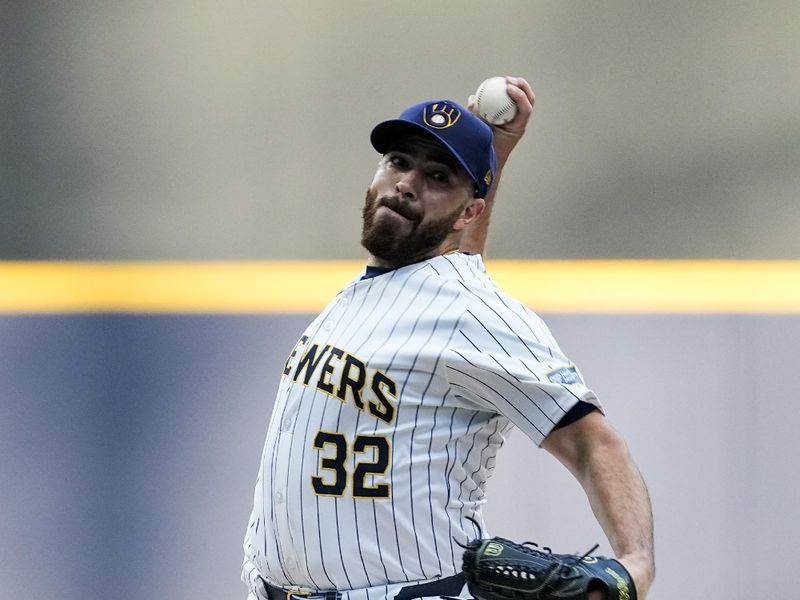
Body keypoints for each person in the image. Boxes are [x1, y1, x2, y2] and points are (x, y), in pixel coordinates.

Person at [242, 77, 655, 600]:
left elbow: (590, 441)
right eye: (397, 161)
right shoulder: (373, 286)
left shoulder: (472, 314)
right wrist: (492, 151)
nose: (406, 183)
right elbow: (456, 261)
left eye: (437, 176)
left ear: (469, 212)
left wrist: (634, 564)